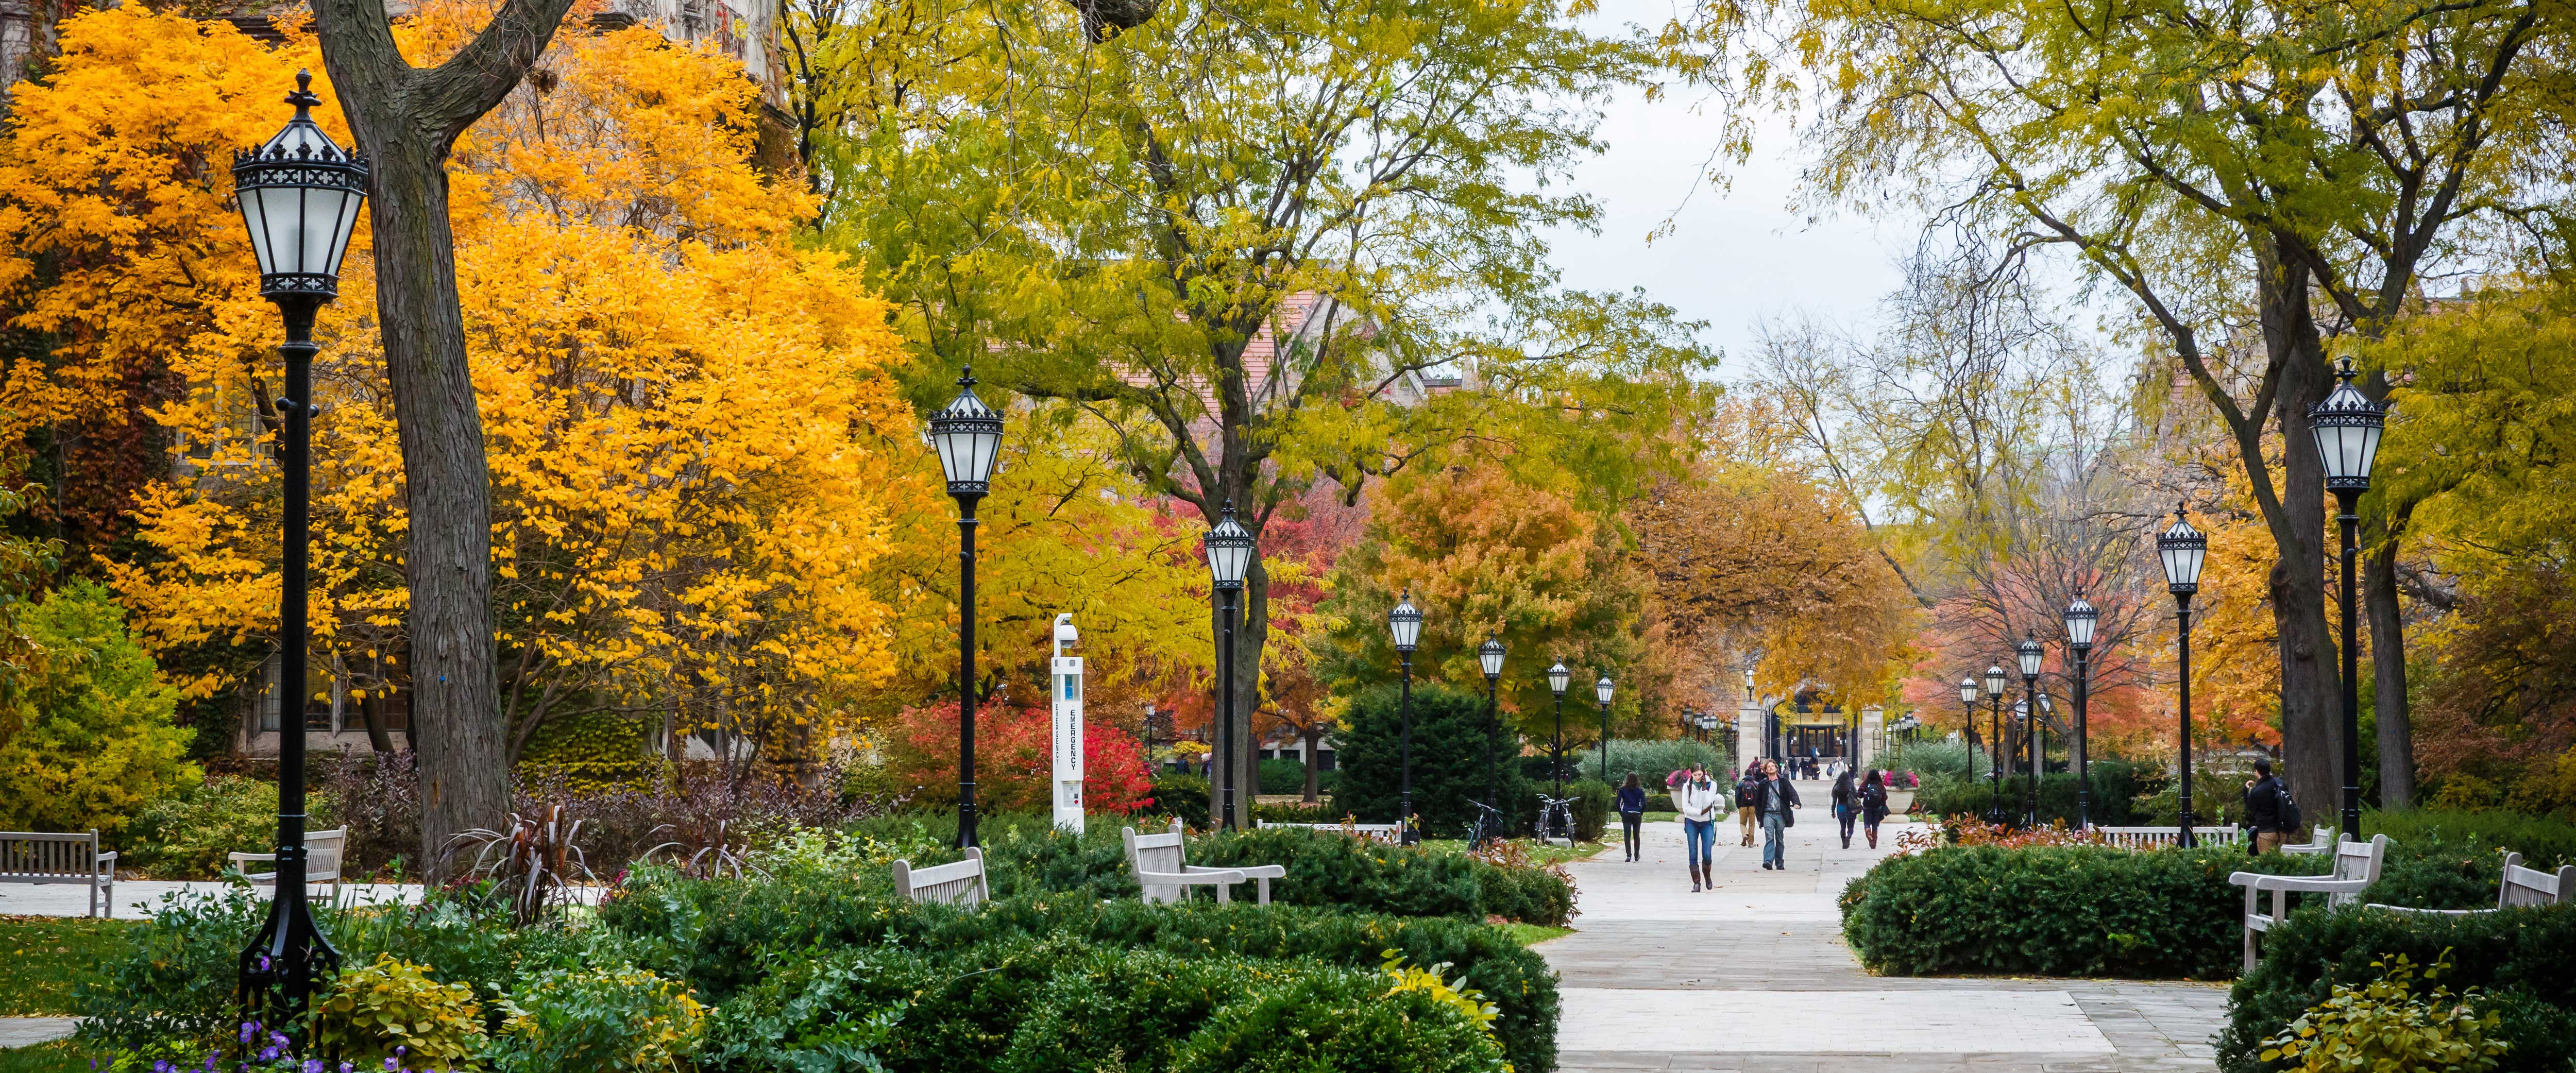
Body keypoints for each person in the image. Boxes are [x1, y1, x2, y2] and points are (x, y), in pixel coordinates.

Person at [1674, 763, 1724, 891]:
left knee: (1707, 854)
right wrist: (1699, 812)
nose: (1697, 777)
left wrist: (1703, 790)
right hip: (1692, 822)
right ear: (1691, 775)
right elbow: (1686, 808)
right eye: (1695, 775)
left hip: (1707, 822)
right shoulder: (1687, 787)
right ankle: (1697, 883)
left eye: (1700, 775)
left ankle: (1707, 875)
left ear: (1704, 773)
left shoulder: (1712, 785)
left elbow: (1709, 803)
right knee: (1693, 853)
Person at [1754, 759, 1802, 870]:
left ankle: (1779, 862)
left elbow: (1792, 793)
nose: (1771, 768)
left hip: (1780, 814)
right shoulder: (1763, 784)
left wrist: (1796, 803)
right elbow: (1758, 802)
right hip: (1768, 814)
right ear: (1765, 770)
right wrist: (1759, 818)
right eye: (1768, 767)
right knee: (1769, 837)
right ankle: (1768, 861)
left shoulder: (1784, 782)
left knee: (1780, 838)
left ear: (1776, 768)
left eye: (1772, 766)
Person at [2244, 758, 2293, 854]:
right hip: (2283, 830)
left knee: (2266, 862)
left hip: (2266, 831)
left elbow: (2251, 808)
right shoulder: (2280, 784)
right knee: (2281, 860)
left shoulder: (2258, 791)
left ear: (2257, 772)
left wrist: (2246, 791)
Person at [1616, 773, 1648, 862]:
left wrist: (1622, 813)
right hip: (1636, 813)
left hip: (1626, 813)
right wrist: (1640, 812)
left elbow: (1618, 803)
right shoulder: (1640, 790)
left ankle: (1629, 855)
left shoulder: (1622, 790)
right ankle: (1637, 855)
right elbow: (1644, 803)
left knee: (1627, 835)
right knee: (1636, 835)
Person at [1859, 769, 1889, 849]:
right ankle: (1874, 841)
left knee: (1867, 823)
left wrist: (1865, 795)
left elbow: (1860, 794)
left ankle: (1868, 833)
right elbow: (1885, 796)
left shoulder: (1866, 784)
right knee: (1875, 825)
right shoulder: (1880, 785)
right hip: (1878, 807)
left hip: (1867, 807)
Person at [1735, 762, 1762, 846]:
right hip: (1753, 807)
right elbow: (1759, 797)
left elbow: (1737, 796)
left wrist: (1738, 806)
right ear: (1752, 775)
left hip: (1743, 806)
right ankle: (1751, 843)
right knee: (1752, 825)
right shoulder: (1756, 784)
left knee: (1742, 824)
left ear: (1745, 775)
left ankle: (1745, 834)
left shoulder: (1740, 784)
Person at [1831, 768, 1858, 849]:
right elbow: (1857, 795)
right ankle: (1849, 836)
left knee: (1842, 827)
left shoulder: (1836, 788)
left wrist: (1833, 812)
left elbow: (1834, 802)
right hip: (1850, 808)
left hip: (1841, 808)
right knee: (1851, 827)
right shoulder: (1851, 786)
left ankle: (1844, 842)